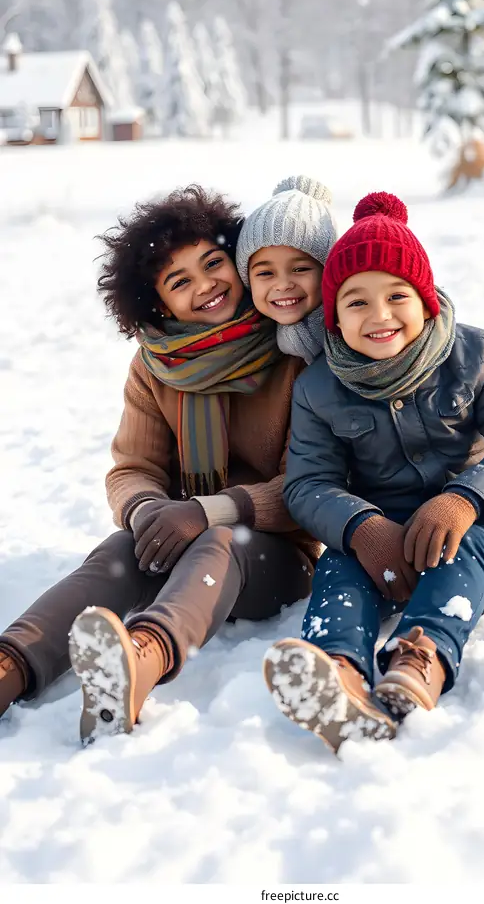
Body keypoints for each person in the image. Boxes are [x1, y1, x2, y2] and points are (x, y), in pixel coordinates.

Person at [0, 185, 318, 742]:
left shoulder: (294, 350)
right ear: (157, 303)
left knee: (223, 541)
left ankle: (141, 660)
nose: (206, 286)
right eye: (180, 281)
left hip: (278, 550)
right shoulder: (155, 367)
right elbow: (131, 468)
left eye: (214, 263)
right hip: (177, 533)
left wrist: (207, 512)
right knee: (119, 551)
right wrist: (147, 509)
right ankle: (11, 664)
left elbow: (307, 484)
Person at [263, 192, 484, 754]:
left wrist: (467, 499)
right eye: (356, 302)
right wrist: (362, 528)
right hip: (389, 544)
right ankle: (339, 669)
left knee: (463, 546)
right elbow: (308, 483)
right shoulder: (319, 387)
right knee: (339, 568)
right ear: (334, 314)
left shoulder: (476, 353)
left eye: (397, 295)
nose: (379, 316)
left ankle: (419, 660)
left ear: (424, 298)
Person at [236, 174, 337, 365]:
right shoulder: (256, 348)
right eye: (265, 273)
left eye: (300, 269)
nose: (282, 285)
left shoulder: (354, 336)